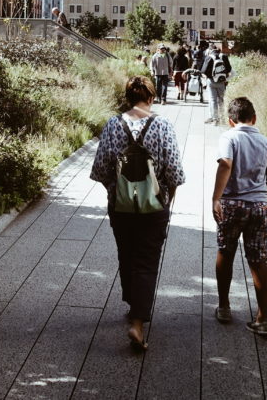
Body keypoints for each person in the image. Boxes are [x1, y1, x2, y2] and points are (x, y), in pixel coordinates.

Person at [89, 76, 186, 351]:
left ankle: (133, 302)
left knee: (126, 252)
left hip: (121, 205)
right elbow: (174, 171)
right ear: (152, 98)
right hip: (153, 205)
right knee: (146, 259)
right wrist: (167, 198)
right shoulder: (163, 125)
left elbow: (101, 167)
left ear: (128, 98)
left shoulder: (112, 124)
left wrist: (115, 189)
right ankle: (137, 322)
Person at [211, 97, 267, 334]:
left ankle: (224, 306)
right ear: (255, 118)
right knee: (258, 258)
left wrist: (216, 198)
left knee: (226, 251)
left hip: (232, 204)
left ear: (231, 120)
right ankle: (263, 318)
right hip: (259, 206)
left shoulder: (229, 137)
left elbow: (226, 164)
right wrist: (263, 196)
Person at [201, 43, 233, 125]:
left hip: (211, 81)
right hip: (222, 82)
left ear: (210, 50)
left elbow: (203, 71)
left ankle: (215, 119)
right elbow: (229, 69)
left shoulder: (209, 57)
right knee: (221, 100)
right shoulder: (224, 57)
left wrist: (209, 77)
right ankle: (222, 118)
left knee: (213, 100)